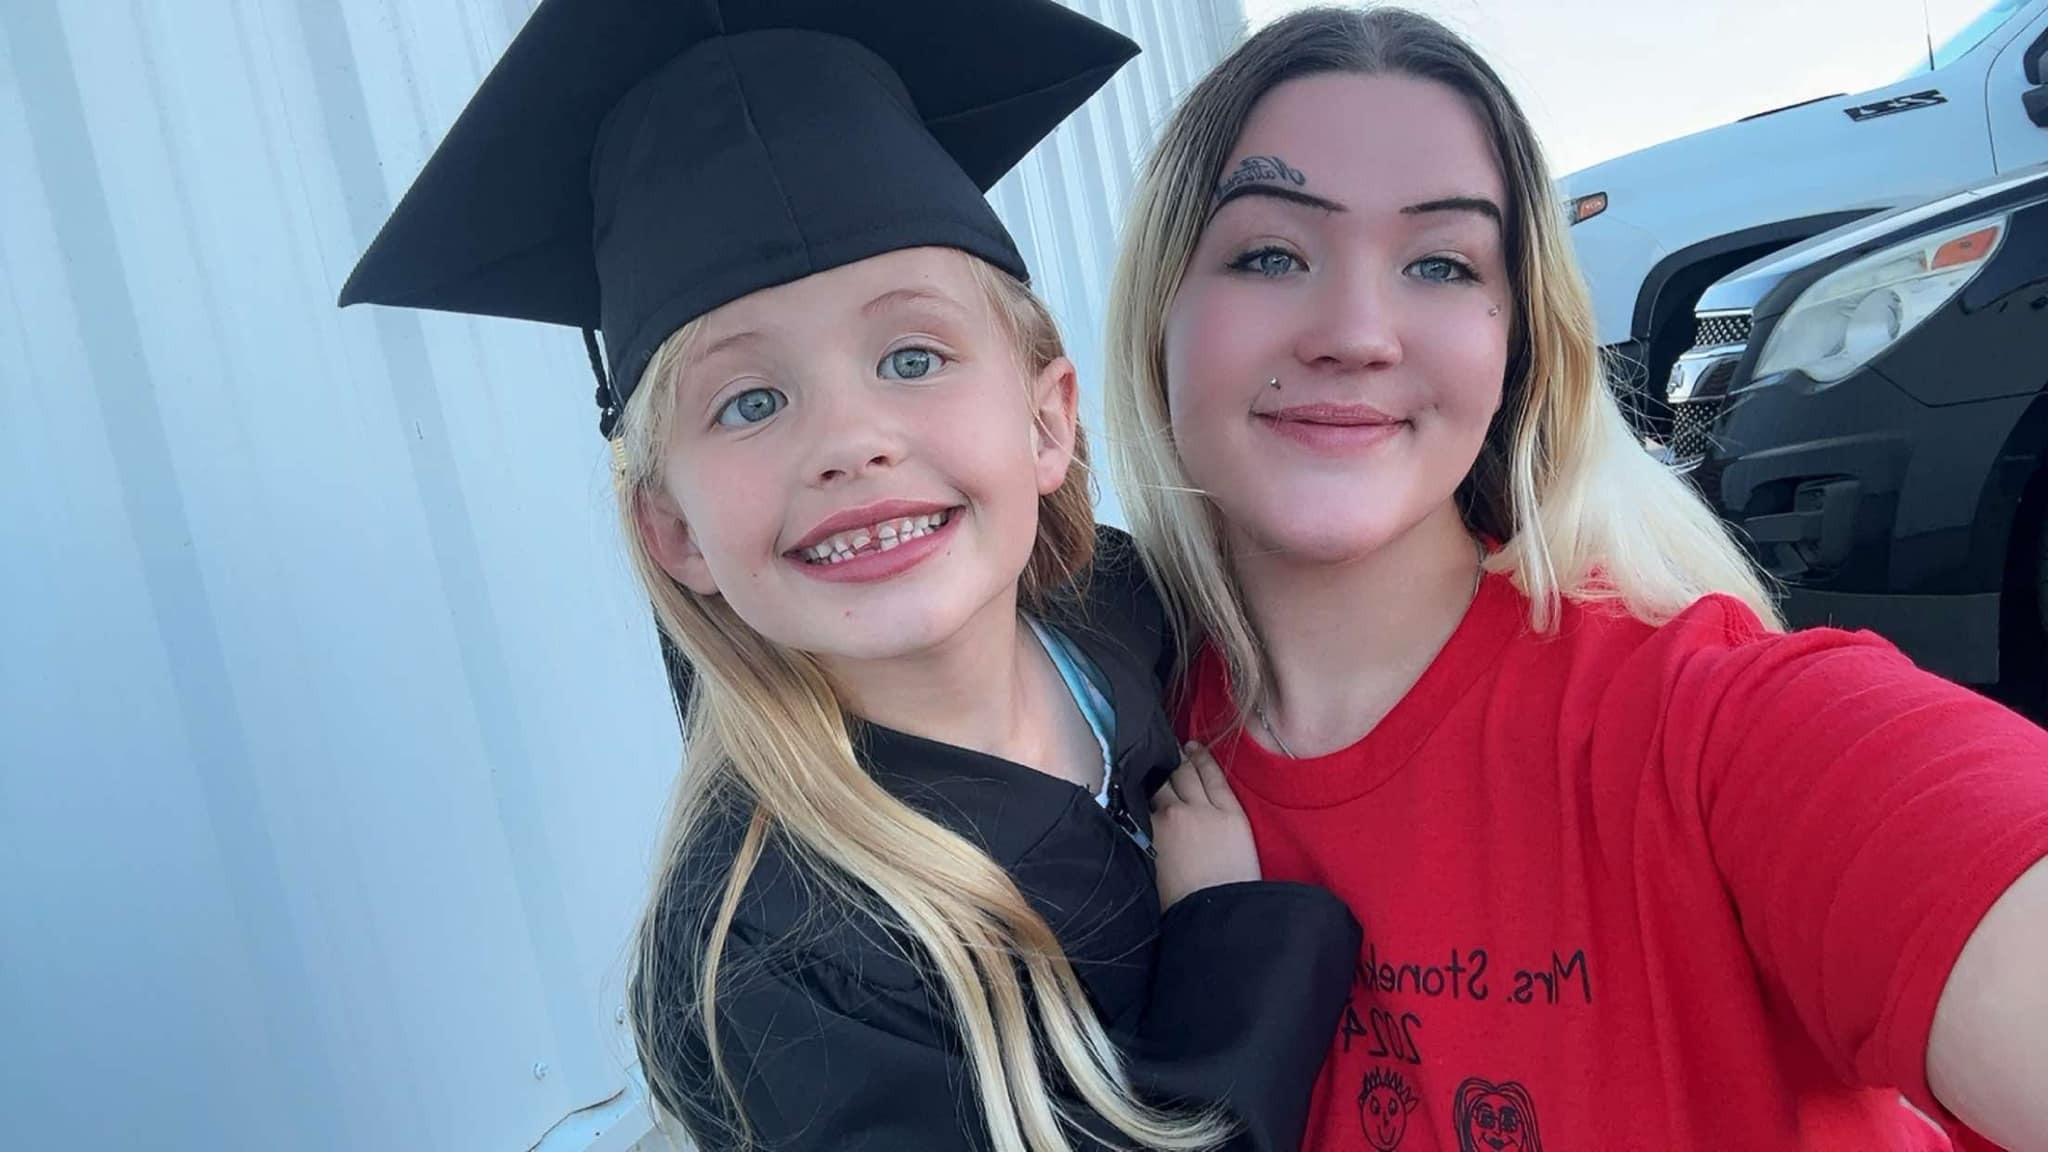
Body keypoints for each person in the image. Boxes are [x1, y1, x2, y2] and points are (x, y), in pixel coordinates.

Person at [339, 1, 1362, 1150]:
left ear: (1045, 421)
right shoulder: (772, 962)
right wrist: (1228, 941)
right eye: (750, 402)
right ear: (673, 529)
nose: (848, 440)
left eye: (911, 356)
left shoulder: (1116, 604)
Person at [1101, 7, 2048, 1151]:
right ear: (1160, 311)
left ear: (1515, 344)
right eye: (1268, 254)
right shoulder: (1092, 753)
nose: (1354, 332)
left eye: (1439, 263)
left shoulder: (1707, 725)